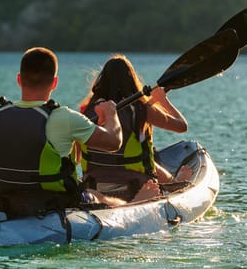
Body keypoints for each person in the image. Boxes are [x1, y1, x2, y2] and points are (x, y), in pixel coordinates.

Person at [0, 47, 126, 216]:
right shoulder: (66, 118)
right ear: (55, 83)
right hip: (54, 203)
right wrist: (112, 114)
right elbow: (114, 142)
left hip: (7, 201)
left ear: (19, 79)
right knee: (103, 199)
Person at [77, 54, 191, 202]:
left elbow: (77, 157)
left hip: (93, 188)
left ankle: (173, 182)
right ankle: (174, 184)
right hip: (137, 188)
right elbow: (181, 126)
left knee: (143, 161)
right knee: (143, 159)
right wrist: (163, 100)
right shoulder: (141, 109)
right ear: (132, 81)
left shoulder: (86, 111)